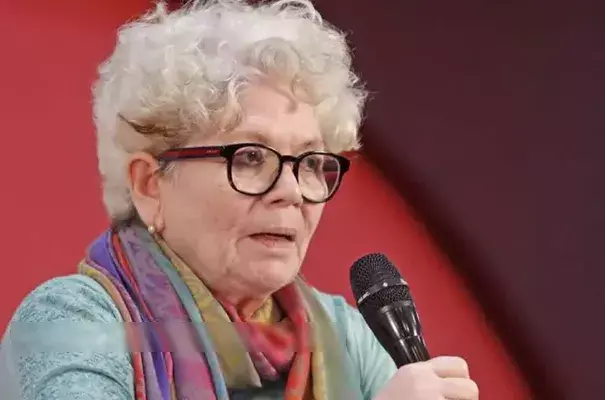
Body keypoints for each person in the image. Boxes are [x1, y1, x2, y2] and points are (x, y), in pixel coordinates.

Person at [1, 1, 479, 399]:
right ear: (150, 184)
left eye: (311, 162)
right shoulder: (71, 324)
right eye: (251, 157)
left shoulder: (346, 336)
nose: (291, 191)